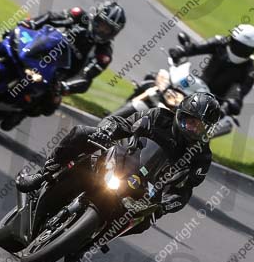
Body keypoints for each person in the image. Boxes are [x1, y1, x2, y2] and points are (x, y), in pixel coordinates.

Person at [16, 92, 221, 233]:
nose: (192, 129)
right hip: (121, 158)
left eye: (199, 127)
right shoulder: (158, 116)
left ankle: (92, 241)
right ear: (180, 114)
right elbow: (123, 123)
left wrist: (163, 207)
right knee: (82, 133)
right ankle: (43, 174)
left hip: (144, 189)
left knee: (144, 222)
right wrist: (108, 131)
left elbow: (184, 191)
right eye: (190, 121)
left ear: (207, 130)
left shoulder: (201, 156)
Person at [0, 1, 126, 130]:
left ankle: (22, 112)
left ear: (114, 33)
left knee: (51, 104)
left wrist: (64, 86)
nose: (102, 30)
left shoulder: (104, 54)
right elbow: (51, 18)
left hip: (60, 75)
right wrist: (31, 24)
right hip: (43, 50)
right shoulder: (79, 15)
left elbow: (86, 77)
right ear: (96, 18)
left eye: (108, 29)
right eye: (101, 24)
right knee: (10, 40)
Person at [165, 24, 254, 117]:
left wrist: (229, 106)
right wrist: (181, 51)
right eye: (236, 44)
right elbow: (196, 48)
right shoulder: (220, 43)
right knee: (160, 81)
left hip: (213, 106)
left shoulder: (250, 73)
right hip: (196, 86)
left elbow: (239, 96)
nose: (238, 49)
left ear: (251, 50)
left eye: (243, 48)